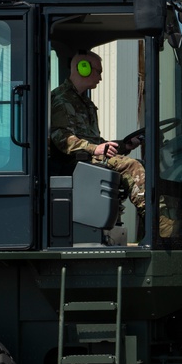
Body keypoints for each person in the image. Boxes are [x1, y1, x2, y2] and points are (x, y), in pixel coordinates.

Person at [50, 50, 145, 235]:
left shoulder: (85, 103)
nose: (100, 77)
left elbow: (97, 142)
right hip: (72, 163)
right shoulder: (60, 100)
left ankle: (147, 228)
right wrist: (95, 149)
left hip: (88, 157)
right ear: (82, 69)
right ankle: (157, 224)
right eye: (98, 71)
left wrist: (125, 145)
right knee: (132, 167)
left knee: (141, 164)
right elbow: (62, 138)